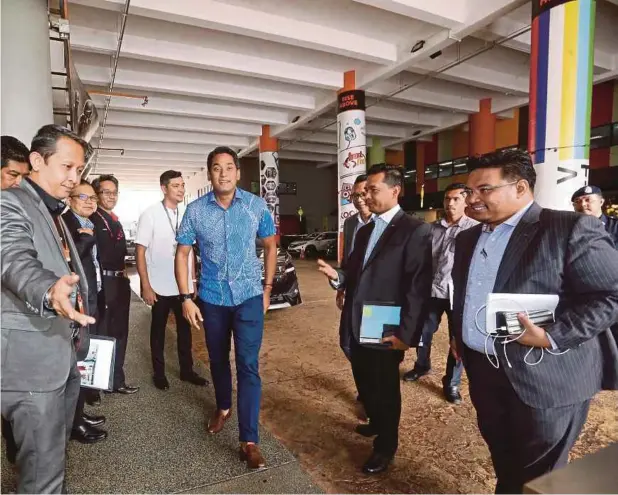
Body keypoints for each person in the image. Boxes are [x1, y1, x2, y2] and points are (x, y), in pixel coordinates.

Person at [450, 149, 618, 493]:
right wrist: (460, 333)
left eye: (484, 190)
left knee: (541, 474)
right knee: (504, 454)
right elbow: (466, 294)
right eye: (470, 191)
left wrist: (551, 336)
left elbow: (610, 296)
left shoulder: (568, 229)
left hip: (547, 373)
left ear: (521, 188)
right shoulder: (468, 237)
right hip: (485, 368)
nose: (473, 199)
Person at [317, 164, 432, 475]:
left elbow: (418, 288)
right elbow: (353, 271)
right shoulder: (365, 228)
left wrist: (407, 334)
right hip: (358, 317)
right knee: (364, 376)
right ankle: (376, 424)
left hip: (386, 321)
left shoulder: (415, 230)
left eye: (372, 190)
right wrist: (337, 277)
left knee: (385, 386)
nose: (366, 195)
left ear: (395, 191)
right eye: (365, 190)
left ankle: (386, 445)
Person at [1, 124, 95, 493]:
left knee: (49, 457)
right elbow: (12, 258)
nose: (74, 178)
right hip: (30, 365)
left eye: (80, 170)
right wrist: (47, 290)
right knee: (42, 475)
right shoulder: (10, 201)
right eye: (67, 167)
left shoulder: (51, 209)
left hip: (57, 351)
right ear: (37, 161)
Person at [175, 146, 277, 469]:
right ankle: (222, 407)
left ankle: (249, 440)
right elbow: (182, 254)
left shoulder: (256, 206)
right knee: (218, 359)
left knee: (248, 365)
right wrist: (186, 297)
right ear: (209, 174)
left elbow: (271, 245)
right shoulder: (194, 211)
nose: (223, 173)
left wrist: (267, 290)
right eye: (217, 168)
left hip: (248, 296)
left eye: (229, 167)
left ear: (238, 172)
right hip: (213, 298)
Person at [402, 183, 478, 404]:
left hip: (460, 296)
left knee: (458, 341)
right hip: (431, 292)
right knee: (422, 333)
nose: (450, 203)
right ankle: (422, 365)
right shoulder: (432, 228)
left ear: (466, 201)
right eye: (447, 199)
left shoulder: (475, 230)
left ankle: (452, 383)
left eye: (455, 199)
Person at [136, 170, 207, 390]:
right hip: (158, 285)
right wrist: (145, 285)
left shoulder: (187, 213)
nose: (181, 190)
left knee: (185, 331)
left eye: (183, 185)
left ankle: (187, 371)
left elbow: (190, 252)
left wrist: (192, 280)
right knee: (157, 331)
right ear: (164, 188)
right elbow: (140, 252)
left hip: (182, 286)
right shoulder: (151, 214)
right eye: (176, 185)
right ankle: (159, 373)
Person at [63, 180, 108, 443]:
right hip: (76, 303)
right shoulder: (67, 223)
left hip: (91, 297)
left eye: (93, 197)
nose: (90, 201)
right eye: (83, 196)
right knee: (75, 363)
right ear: (70, 198)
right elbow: (69, 262)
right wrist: (86, 241)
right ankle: (73, 424)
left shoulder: (88, 223)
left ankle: (79, 415)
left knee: (82, 360)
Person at [91, 175, 139, 394]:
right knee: (100, 333)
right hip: (103, 284)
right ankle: (94, 387)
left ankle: (117, 380)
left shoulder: (116, 221)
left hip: (120, 282)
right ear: (97, 194)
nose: (111, 196)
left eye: (114, 192)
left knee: (121, 332)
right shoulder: (92, 219)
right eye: (106, 192)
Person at [336, 174, 373, 421]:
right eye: (355, 195)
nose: (359, 199)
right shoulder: (350, 224)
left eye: (364, 194)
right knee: (347, 342)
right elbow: (347, 260)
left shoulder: (385, 224)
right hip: (353, 294)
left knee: (371, 349)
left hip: (376, 302)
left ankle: (372, 397)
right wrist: (340, 287)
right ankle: (367, 386)